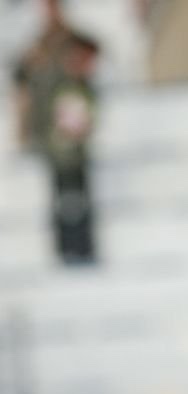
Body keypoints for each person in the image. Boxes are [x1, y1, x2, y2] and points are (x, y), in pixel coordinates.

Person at [14, 0, 100, 265]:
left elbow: (94, 53)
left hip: (71, 121)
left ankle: (84, 246)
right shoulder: (38, 45)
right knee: (59, 192)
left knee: (79, 189)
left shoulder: (74, 39)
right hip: (48, 127)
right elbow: (21, 78)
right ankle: (65, 248)